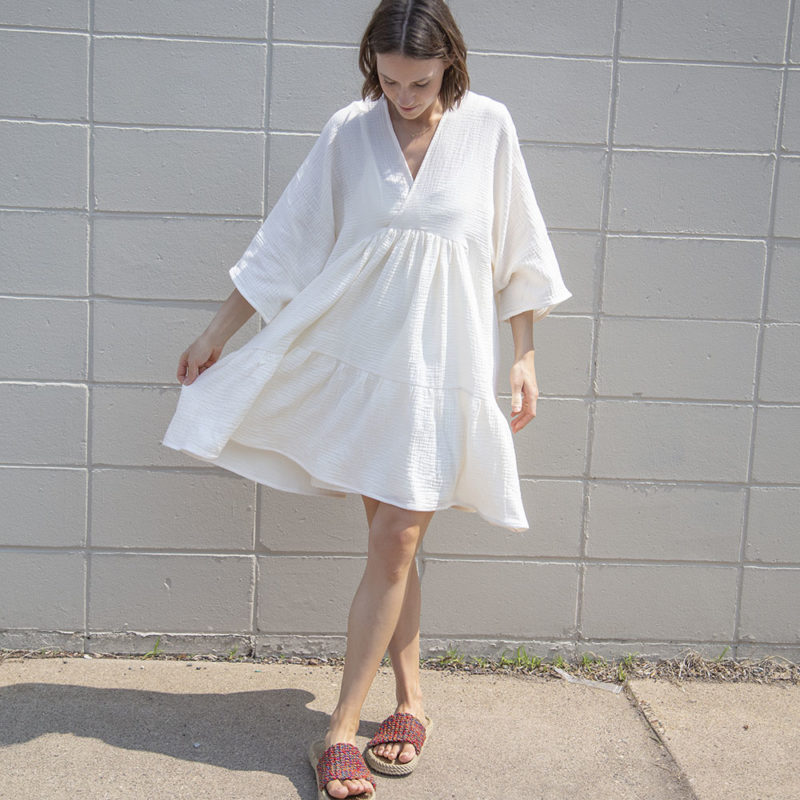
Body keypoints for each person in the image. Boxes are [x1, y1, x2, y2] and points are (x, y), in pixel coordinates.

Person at [162, 1, 571, 796]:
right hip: (362, 366)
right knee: (396, 545)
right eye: (388, 80)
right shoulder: (350, 132)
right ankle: (413, 699)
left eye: (419, 80)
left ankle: (340, 730)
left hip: (442, 372)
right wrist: (218, 331)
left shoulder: (488, 126)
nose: (404, 96)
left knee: (396, 541)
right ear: (370, 69)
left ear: (449, 61)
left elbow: (520, 241)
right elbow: (290, 237)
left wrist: (524, 355)